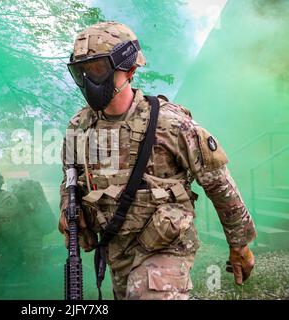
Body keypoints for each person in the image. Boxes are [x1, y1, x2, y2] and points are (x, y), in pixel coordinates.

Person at [58, 21, 256, 300]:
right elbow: (69, 180)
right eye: (82, 71)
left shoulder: (170, 123)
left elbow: (218, 183)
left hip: (165, 246)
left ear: (129, 70)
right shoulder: (79, 128)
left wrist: (240, 244)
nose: (90, 80)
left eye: (99, 69)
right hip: (117, 248)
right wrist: (68, 209)